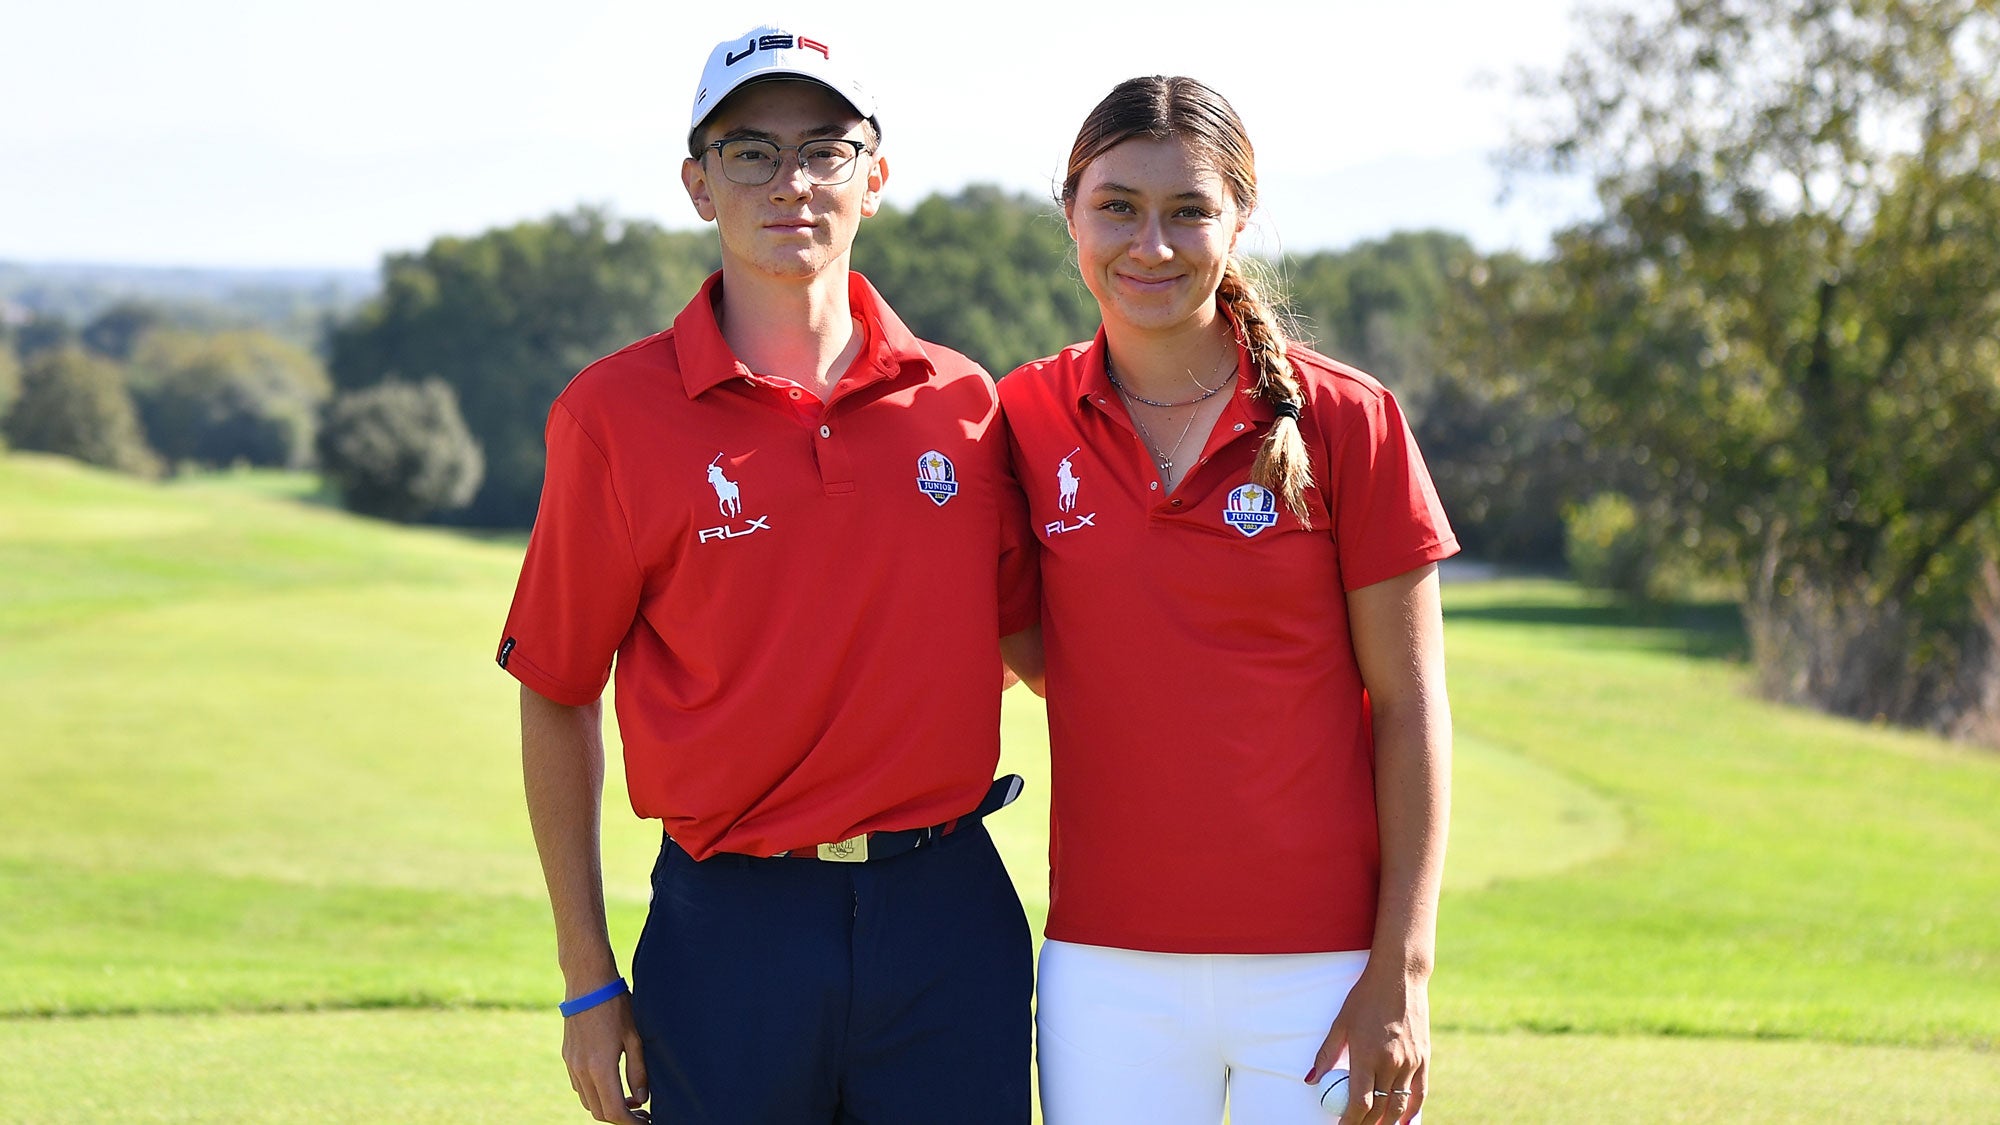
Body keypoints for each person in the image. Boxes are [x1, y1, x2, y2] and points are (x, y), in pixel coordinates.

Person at [497, 26, 1036, 1125]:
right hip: (729, 929)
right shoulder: (610, 415)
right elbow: (555, 688)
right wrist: (587, 978)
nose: (791, 181)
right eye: (750, 152)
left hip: (947, 915)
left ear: (873, 177)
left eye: (825, 149)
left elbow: (1037, 653)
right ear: (698, 184)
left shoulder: (965, 404)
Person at [997, 76, 1456, 1125]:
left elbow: (1411, 707)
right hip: (1103, 969)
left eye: (1188, 210)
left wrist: (1403, 969)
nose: (1150, 244)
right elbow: (1038, 653)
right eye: (1117, 207)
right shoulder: (1020, 415)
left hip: (1325, 972)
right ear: (1070, 213)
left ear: (1238, 218)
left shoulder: (1349, 419)